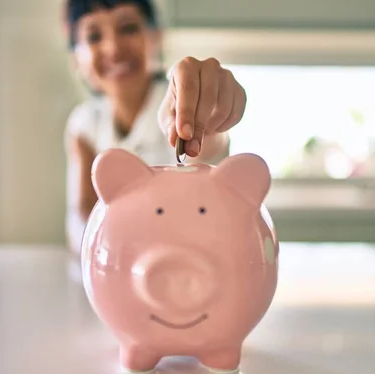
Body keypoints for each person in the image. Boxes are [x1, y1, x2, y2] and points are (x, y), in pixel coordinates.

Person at [62, 0, 247, 254]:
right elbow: (80, 223)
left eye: (128, 28)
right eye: (94, 36)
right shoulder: (84, 124)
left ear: (156, 36)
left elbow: (211, 144)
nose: (113, 48)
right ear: (76, 58)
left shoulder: (180, 105)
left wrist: (211, 115)